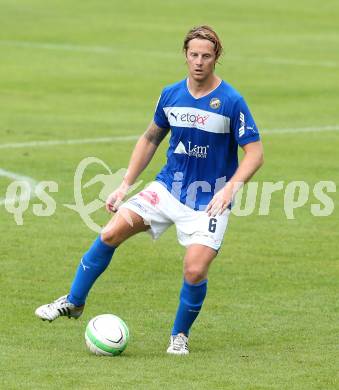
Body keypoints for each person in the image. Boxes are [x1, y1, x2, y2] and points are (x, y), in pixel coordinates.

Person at [35, 25, 264, 355]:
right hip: (167, 189)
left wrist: (230, 189)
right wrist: (124, 185)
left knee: (195, 269)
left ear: (217, 58)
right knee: (110, 233)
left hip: (209, 201)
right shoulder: (170, 95)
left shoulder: (230, 101)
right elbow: (150, 139)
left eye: (206, 56)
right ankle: (73, 302)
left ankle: (179, 336)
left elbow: (255, 153)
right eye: (193, 55)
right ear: (185, 55)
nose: (199, 62)